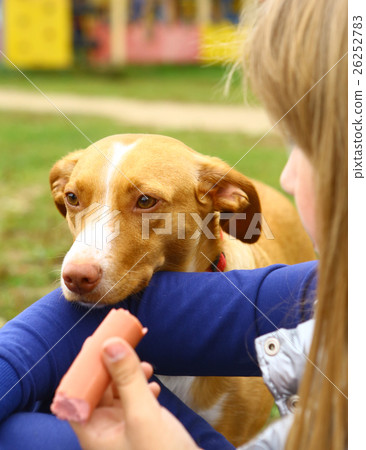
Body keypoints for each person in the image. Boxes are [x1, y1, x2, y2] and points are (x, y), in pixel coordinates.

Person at [0, 0, 347, 449]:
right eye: (74, 200)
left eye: (145, 202)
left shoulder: (293, 317)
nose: (77, 262)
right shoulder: (310, 300)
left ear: (225, 201)